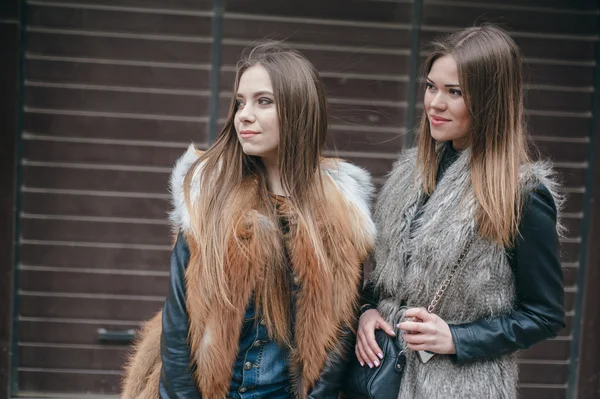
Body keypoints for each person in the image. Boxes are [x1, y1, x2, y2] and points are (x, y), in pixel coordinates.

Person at [121, 42, 376, 399]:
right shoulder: (209, 193)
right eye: (240, 102)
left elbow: (337, 337)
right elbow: (178, 324)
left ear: (299, 110)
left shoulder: (342, 210)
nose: (244, 114)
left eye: (263, 101)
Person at [355, 25, 565, 398]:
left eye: (455, 92)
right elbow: (385, 282)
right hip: (385, 379)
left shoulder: (521, 194)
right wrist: (368, 312)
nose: (435, 103)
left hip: (461, 386)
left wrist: (457, 337)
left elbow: (544, 315)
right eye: (432, 86)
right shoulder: (409, 175)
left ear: (490, 100)